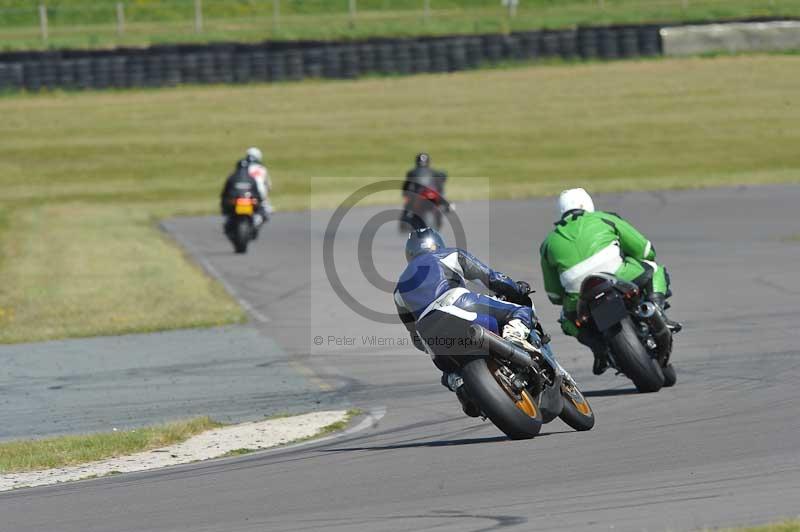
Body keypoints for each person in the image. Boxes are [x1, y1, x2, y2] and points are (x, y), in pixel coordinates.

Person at [394, 227, 543, 417]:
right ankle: (514, 339)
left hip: (428, 332)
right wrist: (515, 289)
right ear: (437, 243)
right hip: (459, 304)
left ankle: (459, 384)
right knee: (520, 310)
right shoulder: (448, 254)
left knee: (448, 372)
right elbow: (492, 278)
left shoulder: (398, 290)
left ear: (410, 253)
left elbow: (415, 336)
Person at [539, 188, 680, 376]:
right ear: (588, 204)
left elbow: (554, 295)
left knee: (567, 320)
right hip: (619, 276)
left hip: (580, 296)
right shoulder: (604, 218)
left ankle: (598, 349)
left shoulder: (548, 243)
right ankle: (656, 309)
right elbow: (645, 250)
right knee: (653, 268)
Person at [221, 147, 273, 227]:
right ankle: (256, 220)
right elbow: (268, 186)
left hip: (243, 192)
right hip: (256, 194)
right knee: (266, 209)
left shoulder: (243, 167)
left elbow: (233, 179)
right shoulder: (263, 169)